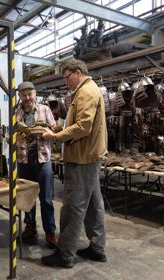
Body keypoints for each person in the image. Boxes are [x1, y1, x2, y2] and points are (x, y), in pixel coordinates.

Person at [41, 59, 108, 268]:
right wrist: (59, 125)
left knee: (73, 208)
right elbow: (79, 123)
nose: (66, 82)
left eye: (67, 77)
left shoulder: (86, 91)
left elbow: (83, 127)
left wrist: (56, 136)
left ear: (78, 72)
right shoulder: (87, 89)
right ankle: (97, 249)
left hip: (82, 158)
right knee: (93, 207)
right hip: (88, 157)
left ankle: (65, 254)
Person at [15, 81, 58, 248]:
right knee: (28, 198)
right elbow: (8, 136)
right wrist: (15, 138)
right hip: (24, 161)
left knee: (46, 199)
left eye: (30, 94)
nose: (27, 97)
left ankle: (50, 232)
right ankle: (30, 228)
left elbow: (55, 129)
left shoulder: (45, 109)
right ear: (19, 96)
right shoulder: (16, 113)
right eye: (23, 94)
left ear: (35, 93)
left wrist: (49, 133)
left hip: (43, 160)